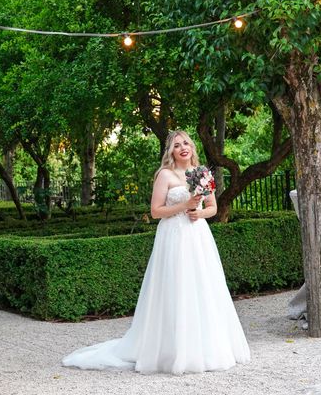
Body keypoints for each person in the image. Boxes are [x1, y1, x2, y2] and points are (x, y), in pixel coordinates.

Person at [62, 130, 250, 374]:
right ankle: (170, 349)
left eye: (186, 143)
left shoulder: (201, 173)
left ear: (192, 147)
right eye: (176, 145)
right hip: (173, 235)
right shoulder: (165, 175)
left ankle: (205, 347)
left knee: (202, 286)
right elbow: (155, 211)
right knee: (175, 286)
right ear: (170, 152)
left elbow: (212, 207)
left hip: (197, 236)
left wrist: (198, 212)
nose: (182, 148)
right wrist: (184, 206)